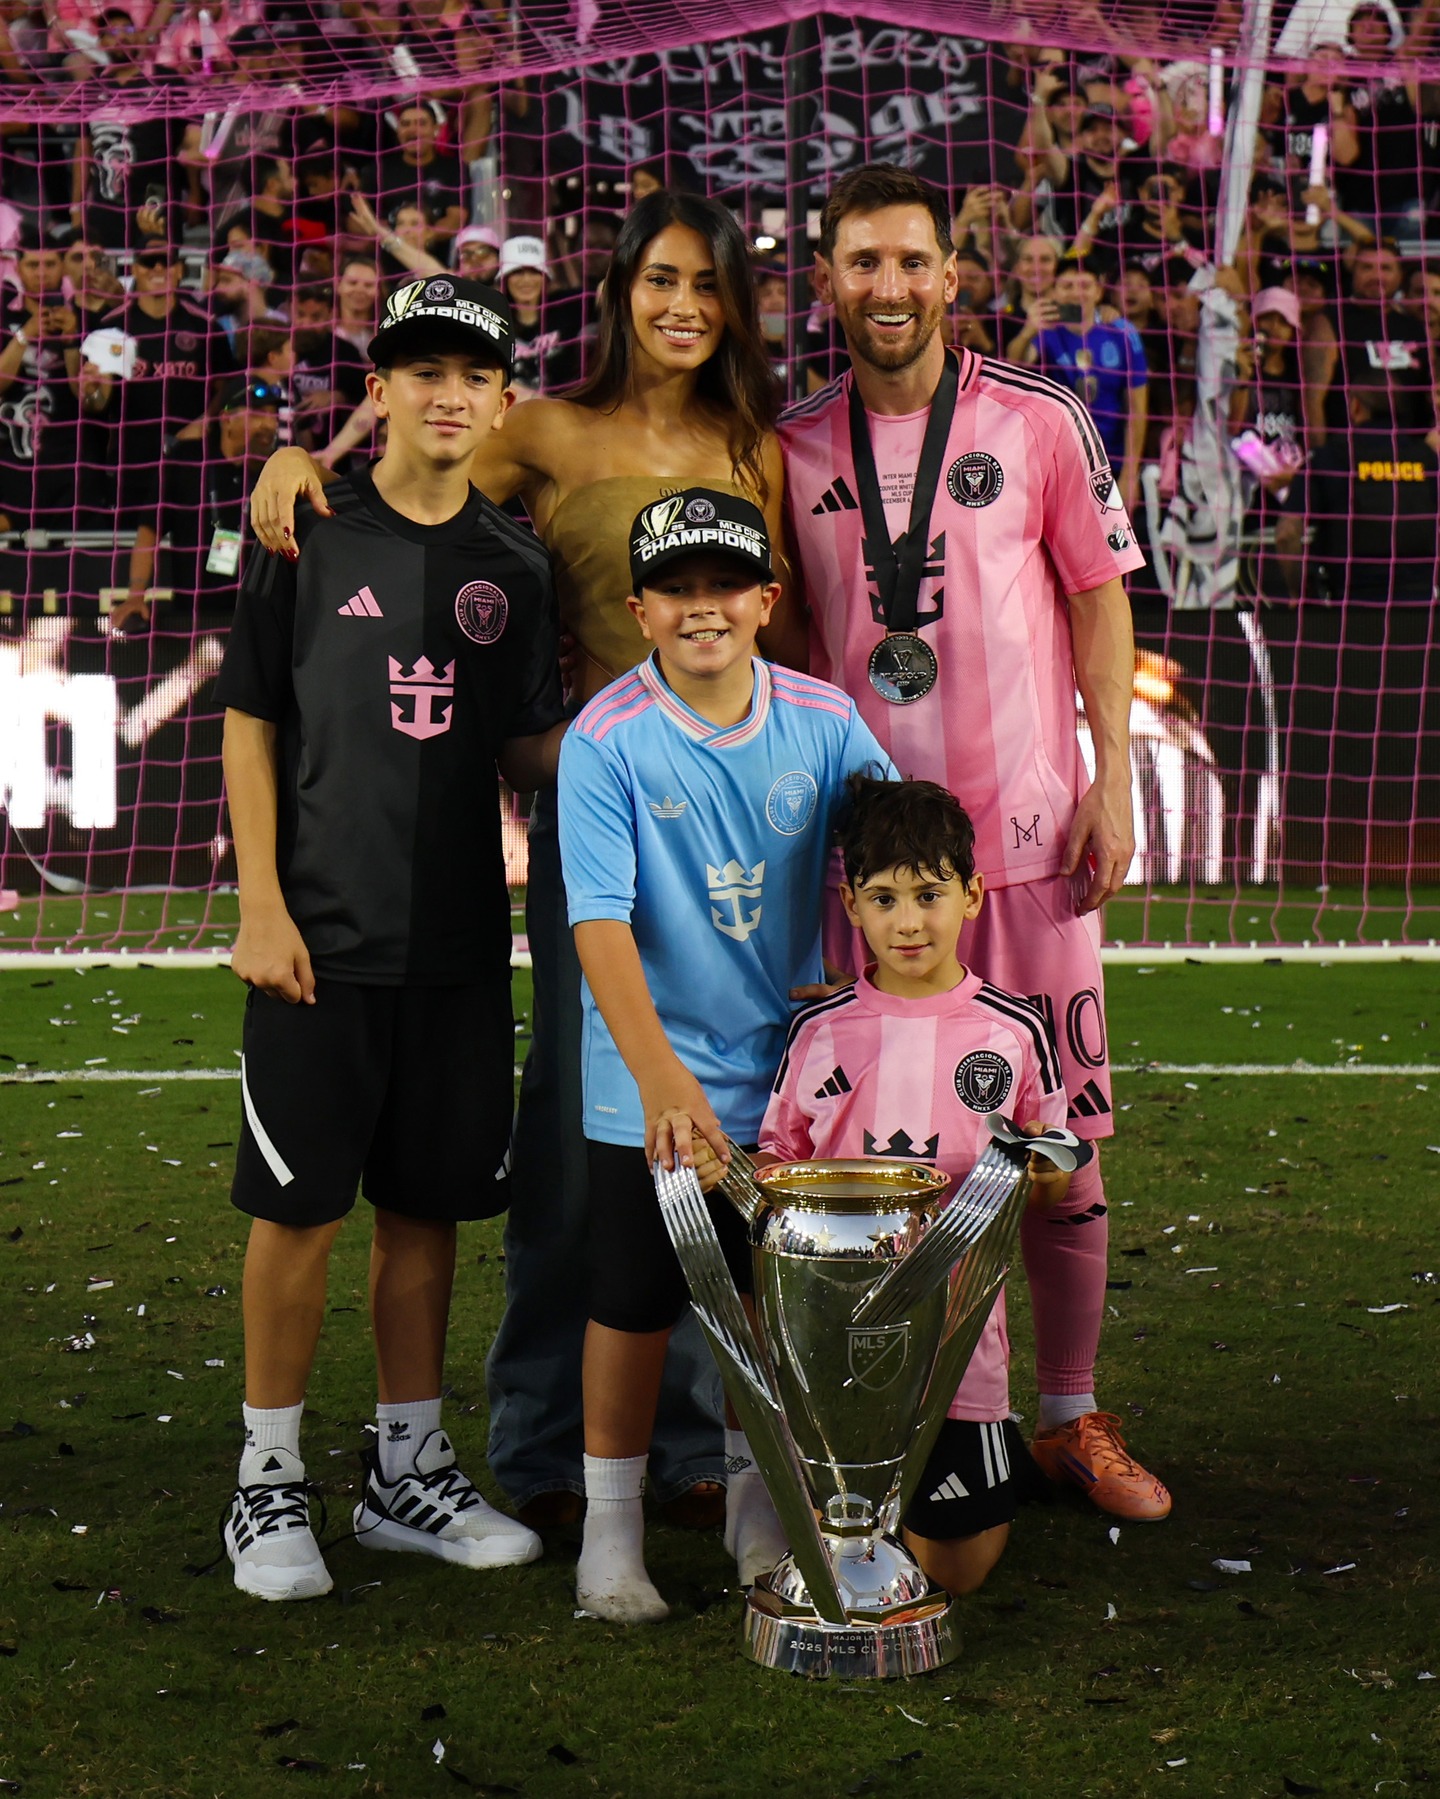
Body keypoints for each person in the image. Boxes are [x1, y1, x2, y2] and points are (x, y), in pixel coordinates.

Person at [248, 189, 792, 1531]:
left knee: (716, 1110)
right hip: (582, 820)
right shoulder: (536, 426)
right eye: (660, 278)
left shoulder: (749, 444)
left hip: (720, 828)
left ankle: (685, 1435)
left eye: (707, 286)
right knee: (574, 1121)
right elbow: (409, 509)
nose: (682, 305)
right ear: (617, 292)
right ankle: (547, 1433)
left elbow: (778, 634)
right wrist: (293, 459)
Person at [779, 162, 1171, 1523]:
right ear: (828, 280)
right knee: (875, 1161)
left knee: (1070, 1150)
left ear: (953, 274)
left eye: (910, 261)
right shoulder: (791, 444)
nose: (887, 286)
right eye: (861, 263)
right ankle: (888, 1418)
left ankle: (1067, 1414)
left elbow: (1101, 598)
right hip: (867, 866)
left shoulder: (1040, 416)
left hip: (1027, 847)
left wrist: (1107, 773)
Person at [213, 275, 566, 1602]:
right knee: (297, 1211)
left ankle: (404, 1473)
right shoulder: (305, 527)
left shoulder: (516, 563)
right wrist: (260, 900)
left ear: (501, 399)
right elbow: (252, 714)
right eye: (417, 369)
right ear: (378, 391)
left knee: (428, 1215)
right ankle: (267, 1478)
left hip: (462, 941)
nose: (445, 392)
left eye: (469, 372)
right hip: (321, 935)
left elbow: (528, 746)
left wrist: (639, 723)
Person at [559, 488, 891, 1623]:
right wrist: (659, 1076)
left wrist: (878, 994)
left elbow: (895, 854)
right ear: (640, 607)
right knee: (633, 1302)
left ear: (766, 597)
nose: (702, 608)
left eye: (723, 586)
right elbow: (596, 922)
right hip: (646, 1079)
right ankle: (611, 1530)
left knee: (769, 1303)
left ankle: (762, 1508)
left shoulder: (828, 719)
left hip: (792, 1082)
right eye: (676, 589)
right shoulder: (603, 739)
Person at [757, 776, 1078, 1598]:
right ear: (852, 905)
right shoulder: (819, 1031)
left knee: (953, 1572)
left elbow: (1043, 1175)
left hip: (960, 1351)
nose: (908, 920)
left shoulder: (1013, 1032)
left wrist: (1032, 1179)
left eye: (930, 894)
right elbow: (775, 1167)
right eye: (884, 897)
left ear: (971, 895)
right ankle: (849, 1505)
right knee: (846, 1553)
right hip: (839, 1343)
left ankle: (917, 1504)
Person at [114, 374, 283, 631]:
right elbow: (149, 532)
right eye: (259, 415)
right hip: (194, 618)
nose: (269, 425)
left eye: (273, 417)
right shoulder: (186, 462)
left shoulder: (277, 471)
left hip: (258, 620)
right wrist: (136, 594)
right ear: (227, 418)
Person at [1031, 256, 1149, 517]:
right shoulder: (1045, 331)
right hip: (1057, 464)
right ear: (1054, 291)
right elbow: (1016, 363)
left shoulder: (1123, 333)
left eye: (1084, 286)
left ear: (1099, 290)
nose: (1076, 293)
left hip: (1111, 461)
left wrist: (1130, 474)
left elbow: (1137, 408)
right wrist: (1029, 328)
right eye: (1068, 286)